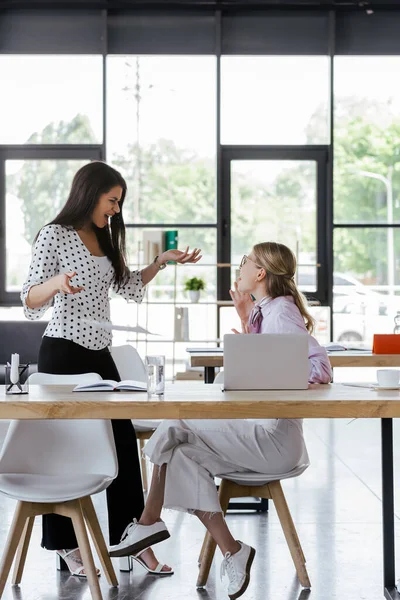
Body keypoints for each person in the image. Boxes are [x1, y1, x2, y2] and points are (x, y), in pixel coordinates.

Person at [108, 241, 332, 600]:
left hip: (274, 440)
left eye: (245, 262)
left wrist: (280, 366)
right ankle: (232, 550)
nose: (239, 268)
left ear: (260, 274)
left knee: (178, 423)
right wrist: (246, 320)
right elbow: (264, 367)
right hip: (258, 433)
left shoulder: (280, 313)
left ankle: (147, 522)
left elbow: (320, 366)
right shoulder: (267, 311)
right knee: (181, 453)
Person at [21, 161, 201, 578]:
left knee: (122, 445)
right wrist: (57, 285)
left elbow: (129, 288)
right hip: (62, 353)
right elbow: (30, 300)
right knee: (63, 448)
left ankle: (131, 539)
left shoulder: (105, 237)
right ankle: (66, 547)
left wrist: (161, 262)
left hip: (99, 355)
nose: (116, 209)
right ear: (90, 193)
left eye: (119, 202)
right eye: (112, 200)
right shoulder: (54, 234)